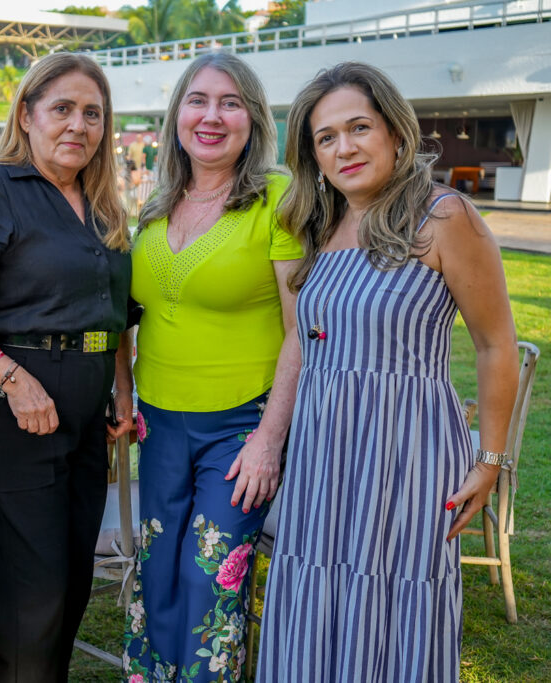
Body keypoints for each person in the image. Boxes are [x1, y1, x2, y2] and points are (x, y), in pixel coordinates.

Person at [256, 62, 518, 682]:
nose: (344, 147)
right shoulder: (325, 224)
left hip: (407, 453)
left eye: (358, 127)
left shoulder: (445, 217)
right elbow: (306, 336)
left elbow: (494, 343)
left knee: (395, 606)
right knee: (314, 600)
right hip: (323, 452)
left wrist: (491, 461)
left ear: (395, 133)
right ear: (312, 155)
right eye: (325, 137)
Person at [0, 52, 134, 682]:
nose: (78, 125)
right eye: (62, 109)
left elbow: (115, 313)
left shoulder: (102, 208)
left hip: (83, 424)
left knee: (70, 588)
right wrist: (13, 381)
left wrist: (119, 391)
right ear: (26, 114)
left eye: (93, 114)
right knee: (31, 602)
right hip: (11, 415)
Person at [121, 52, 302, 682]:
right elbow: (127, 312)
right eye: (198, 100)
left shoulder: (278, 198)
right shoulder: (155, 205)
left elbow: (301, 330)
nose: (212, 116)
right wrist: (122, 391)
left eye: (230, 103)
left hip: (240, 427)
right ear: (177, 115)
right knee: (159, 571)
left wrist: (269, 440)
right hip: (159, 422)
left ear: (253, 118)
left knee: (210, 579)